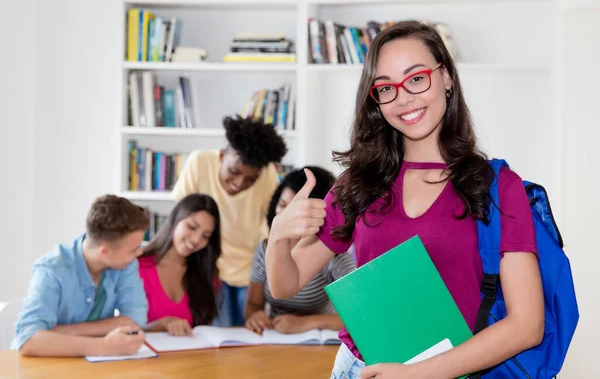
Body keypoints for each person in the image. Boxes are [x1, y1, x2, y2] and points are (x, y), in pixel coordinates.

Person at [265, 20, 544, 379]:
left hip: (449, 371)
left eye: (416, 79)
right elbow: (285, 284)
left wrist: (419, 373)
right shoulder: (359, 182)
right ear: (375, 100)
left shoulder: (498, 185)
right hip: (360, 370)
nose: (403, 98)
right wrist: (278, 235)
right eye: (386, 88)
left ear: (446, 78)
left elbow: (527, 325)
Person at [172, 115, 287, 327]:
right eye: (234, 172)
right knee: (217, 339)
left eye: (250, 179)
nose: (239, 184)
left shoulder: (268, 175)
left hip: (251, 272)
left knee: (249, 343)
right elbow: (179, 217)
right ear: (222, 155)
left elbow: (275, 225)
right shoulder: (199, 162)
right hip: (209, 268)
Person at [12, 195, 149, 357]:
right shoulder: (51, 270)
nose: (139, 253)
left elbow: (136, 318)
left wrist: (65, 331)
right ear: (104, 252)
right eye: (133, 249)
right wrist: (104, 346)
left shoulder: (125, 264)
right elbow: (28, 340)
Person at [244, 167, 355, 335]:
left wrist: (306, 323)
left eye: (297, 209)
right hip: (275, 338)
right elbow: (252, 304)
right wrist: (254, 317)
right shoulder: (265, 248)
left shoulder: (332, 253)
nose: (287, 215)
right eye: (282, 205)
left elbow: (356, 313)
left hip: (319, 339)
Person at [139, 194, 221, 336]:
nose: (196, 240)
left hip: (190, 356)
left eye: (205, 236)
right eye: (192, 227)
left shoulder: (206, 273)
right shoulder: (138, 266)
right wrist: (161, 325)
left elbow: (204, 330)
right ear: (176, 220)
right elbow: (124, 330)